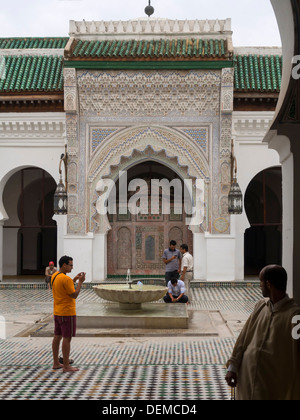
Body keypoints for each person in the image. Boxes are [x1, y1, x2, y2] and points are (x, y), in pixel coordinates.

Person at [225, 265, 300, 400]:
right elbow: (243, 338)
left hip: (272, 386)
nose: (259, 286)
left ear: (268, 284)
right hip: (247, 382)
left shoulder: (294, 316)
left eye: (260, 282)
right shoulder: (260, 306)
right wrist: (232, 367)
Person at [51, 255, 86, 373]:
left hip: (57, 311)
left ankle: (56, 362)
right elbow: (74, 295)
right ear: (64, 265)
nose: (72, 267)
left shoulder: (55, 275)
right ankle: (66, 365)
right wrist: (80, 283)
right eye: (71, 265)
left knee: (57, 337)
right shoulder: (65, 279)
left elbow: (63, 286)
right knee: (67, 338)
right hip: (67, 313)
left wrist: (74, 280)